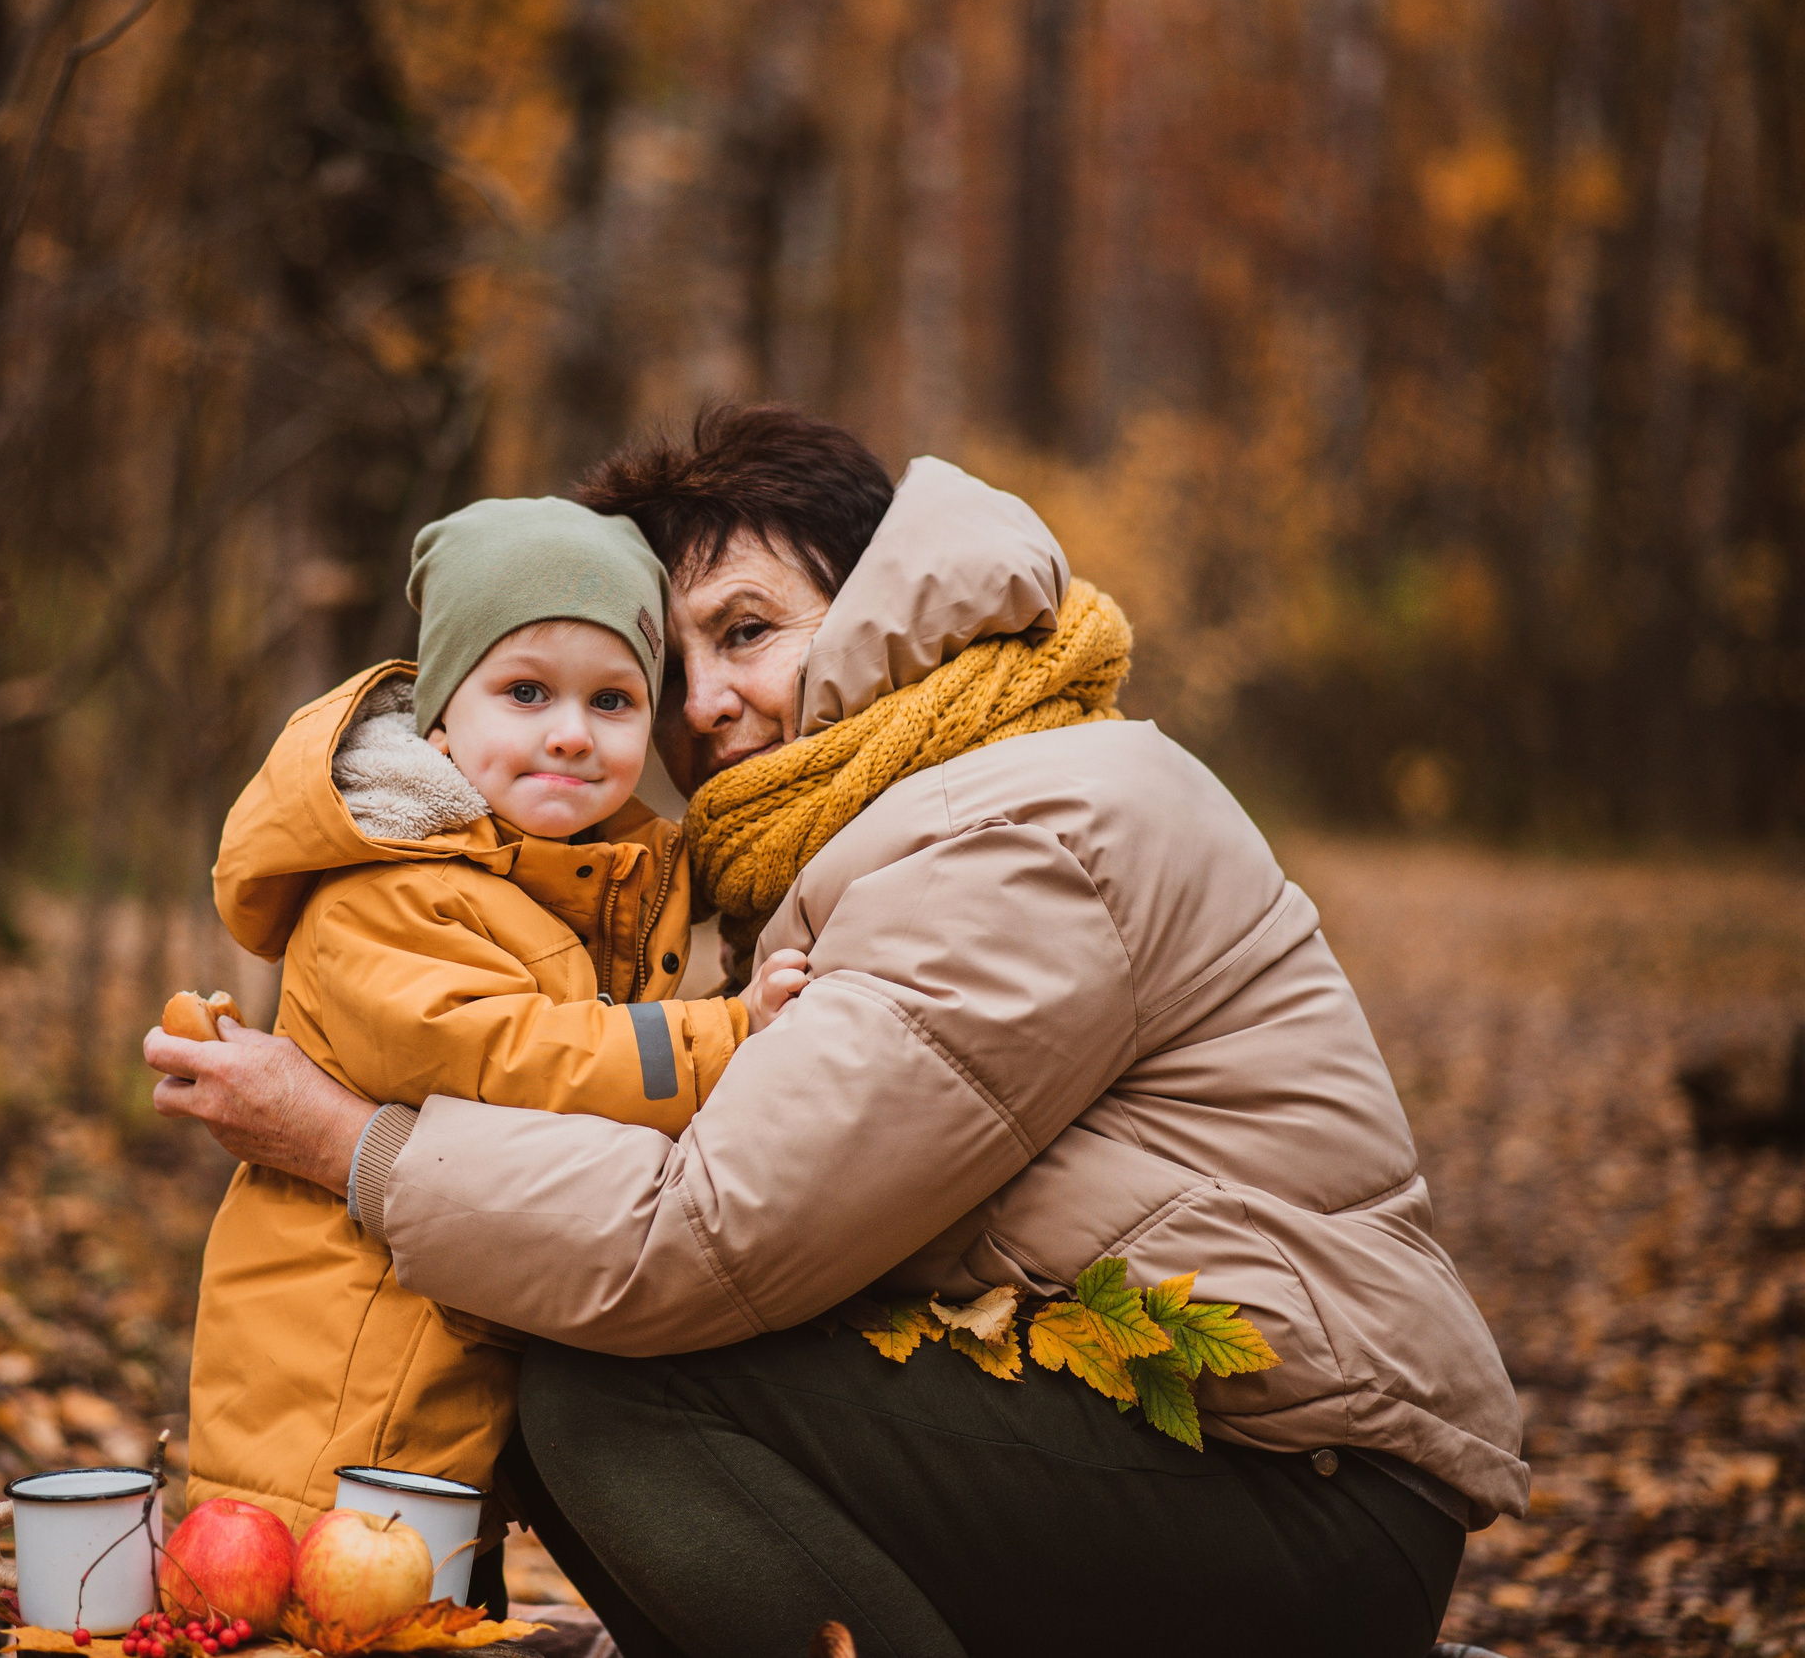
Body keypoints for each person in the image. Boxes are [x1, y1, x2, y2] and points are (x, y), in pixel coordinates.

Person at [149, 407, 1528, 1658]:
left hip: (1299, 1499)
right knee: (593, 1365)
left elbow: (702, 1242)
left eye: (745, 632)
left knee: (606, 1388)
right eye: (667, 664)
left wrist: (355, 1148)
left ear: (878, 604)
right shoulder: (862, 832)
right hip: (1156, 1447)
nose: (700, 706)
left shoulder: (1033, 823)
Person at [180, 497, 809, 1593]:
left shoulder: (567, 873)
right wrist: (729, 1036)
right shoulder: (390, 889)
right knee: (289, 1600)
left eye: (612, 699)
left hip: (451, 1361)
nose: (572, 729)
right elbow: (511, 1055)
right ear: (438, 723)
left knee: (419, 1600)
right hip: (332, 1372)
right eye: (526, 691)